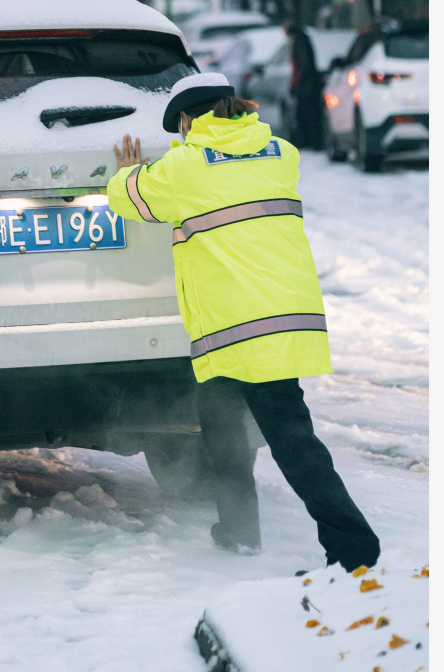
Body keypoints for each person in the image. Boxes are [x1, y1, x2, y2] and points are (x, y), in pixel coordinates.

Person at [105, 72, 380, 572]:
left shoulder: (184, 166)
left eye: (180, 126)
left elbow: (133, 201)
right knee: (231, 431)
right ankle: (237, 532)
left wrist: (125, 173)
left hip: (235, 328)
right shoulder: (283, 153)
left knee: (287, 443)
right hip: (281, 320)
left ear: (188, 120)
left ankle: (355, 550)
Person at [284, 22, 325, 150]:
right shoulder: (302, 40)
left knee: (308, 114)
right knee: (307, 114)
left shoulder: (300, 42)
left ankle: (312, 141)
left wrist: (299, 83)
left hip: (307, 86)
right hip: (307, 85)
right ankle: (311, 141)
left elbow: (303, 65)